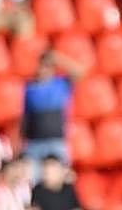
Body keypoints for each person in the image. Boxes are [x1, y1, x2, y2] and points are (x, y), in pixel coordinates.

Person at [21, 51, 82, 179]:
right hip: (34, 143)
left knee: (60, 178)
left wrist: (57, 58)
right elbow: (25, 116)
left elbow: (78, 72)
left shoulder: (61, 84)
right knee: (33, 179)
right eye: (42, 66)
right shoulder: (30, 88)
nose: (44, 70)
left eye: (47, 67)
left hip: (56, 141)